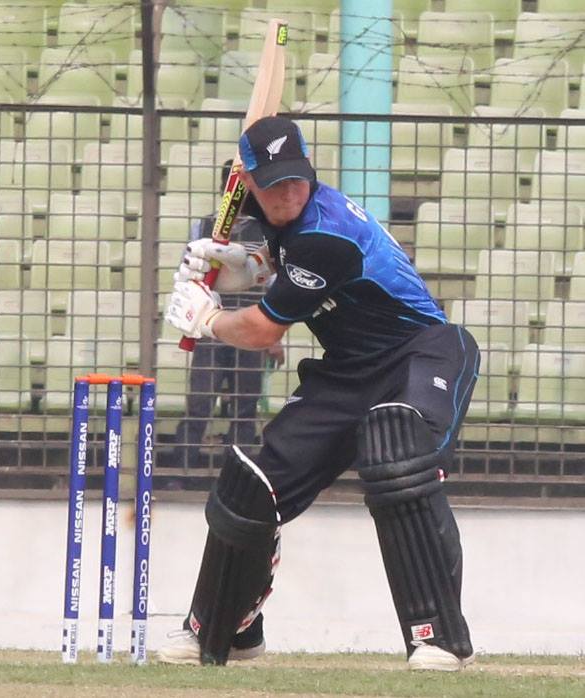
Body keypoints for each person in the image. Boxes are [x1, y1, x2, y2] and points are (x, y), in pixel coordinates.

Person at [162, 116, 480, 671]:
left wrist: (208, 318)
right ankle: (223, 629)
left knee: (400, 459)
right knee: (255, 486)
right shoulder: (267, 212)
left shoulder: (325, 234)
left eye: (296, 179)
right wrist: (247, 267)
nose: (288, 192)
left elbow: (263, 331)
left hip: (421, 352)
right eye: (274, 182)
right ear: (250, 181)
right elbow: (277, 259)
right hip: (348, 369)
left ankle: (440, 638)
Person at [161, 161, 283, 471]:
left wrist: (275, 335)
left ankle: (236, 474)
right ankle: (181, 472)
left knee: (245, 405)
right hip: (210, 323)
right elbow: (190, 272)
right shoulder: (204, 227)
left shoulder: (267, 230)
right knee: (200, 401)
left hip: (252, 323)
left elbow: (276, 286)